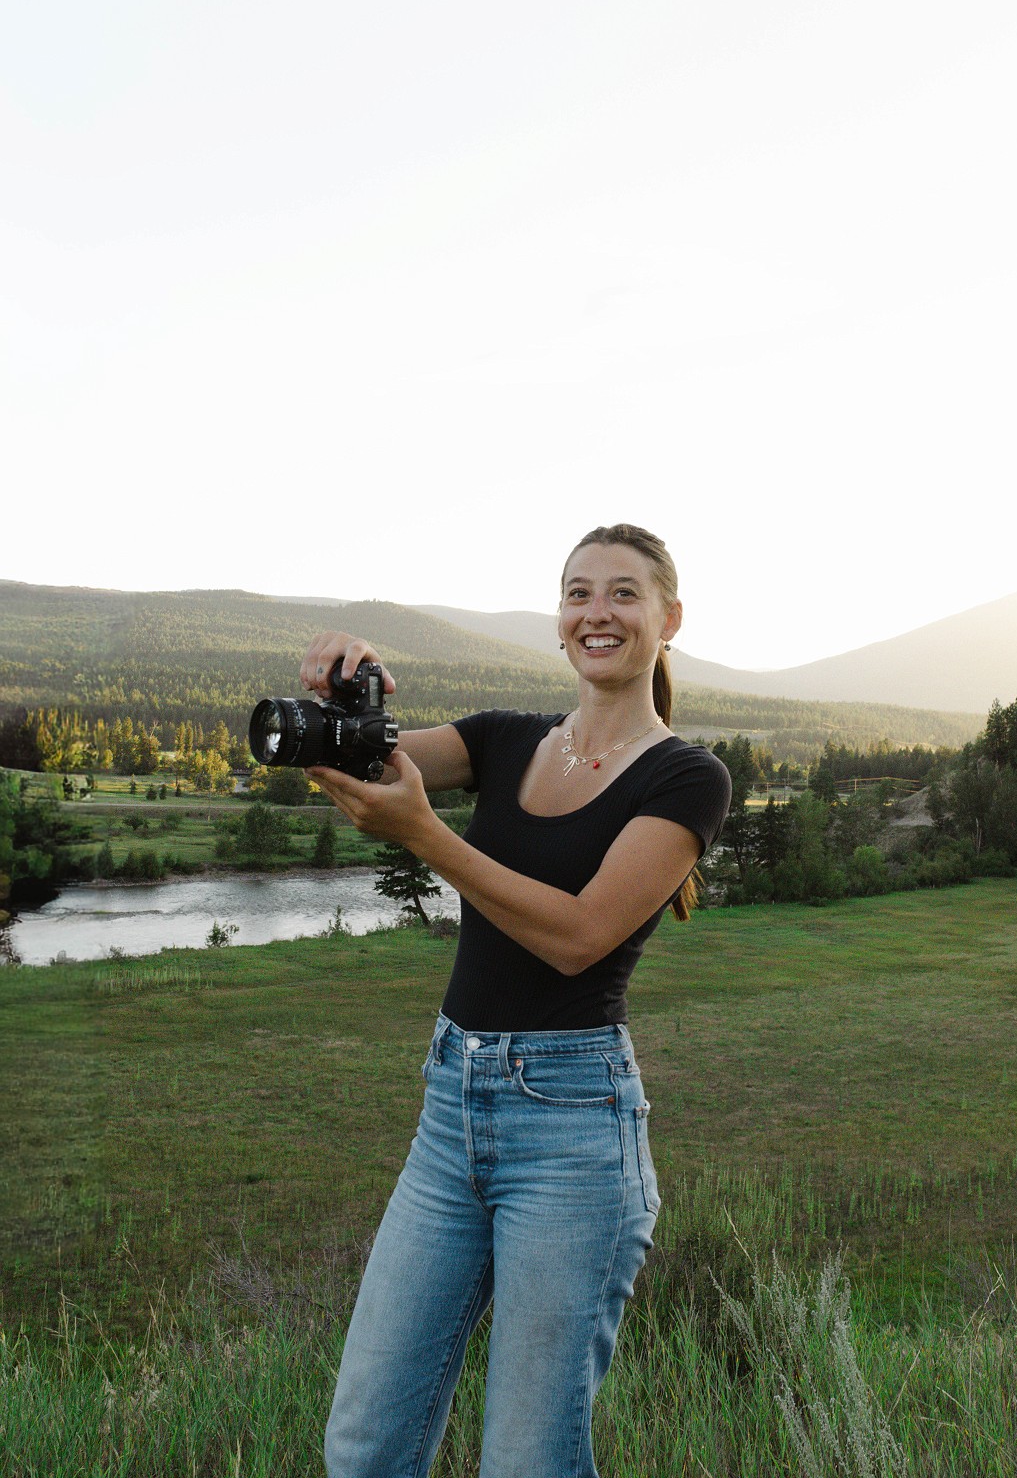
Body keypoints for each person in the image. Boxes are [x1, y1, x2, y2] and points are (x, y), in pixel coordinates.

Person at [302, 522, 731, 1478]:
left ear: (669, 619)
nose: (597, 613)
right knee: (365, 1443)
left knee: (527, 1461)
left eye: (623, 593)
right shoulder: (501, 740)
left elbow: (579, 937)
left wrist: (428, 837)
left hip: (573, 1132)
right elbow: (369, 757)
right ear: (559, 617)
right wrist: (343, 689)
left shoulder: (687, 777)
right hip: (449, 1112)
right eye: (579, 593)